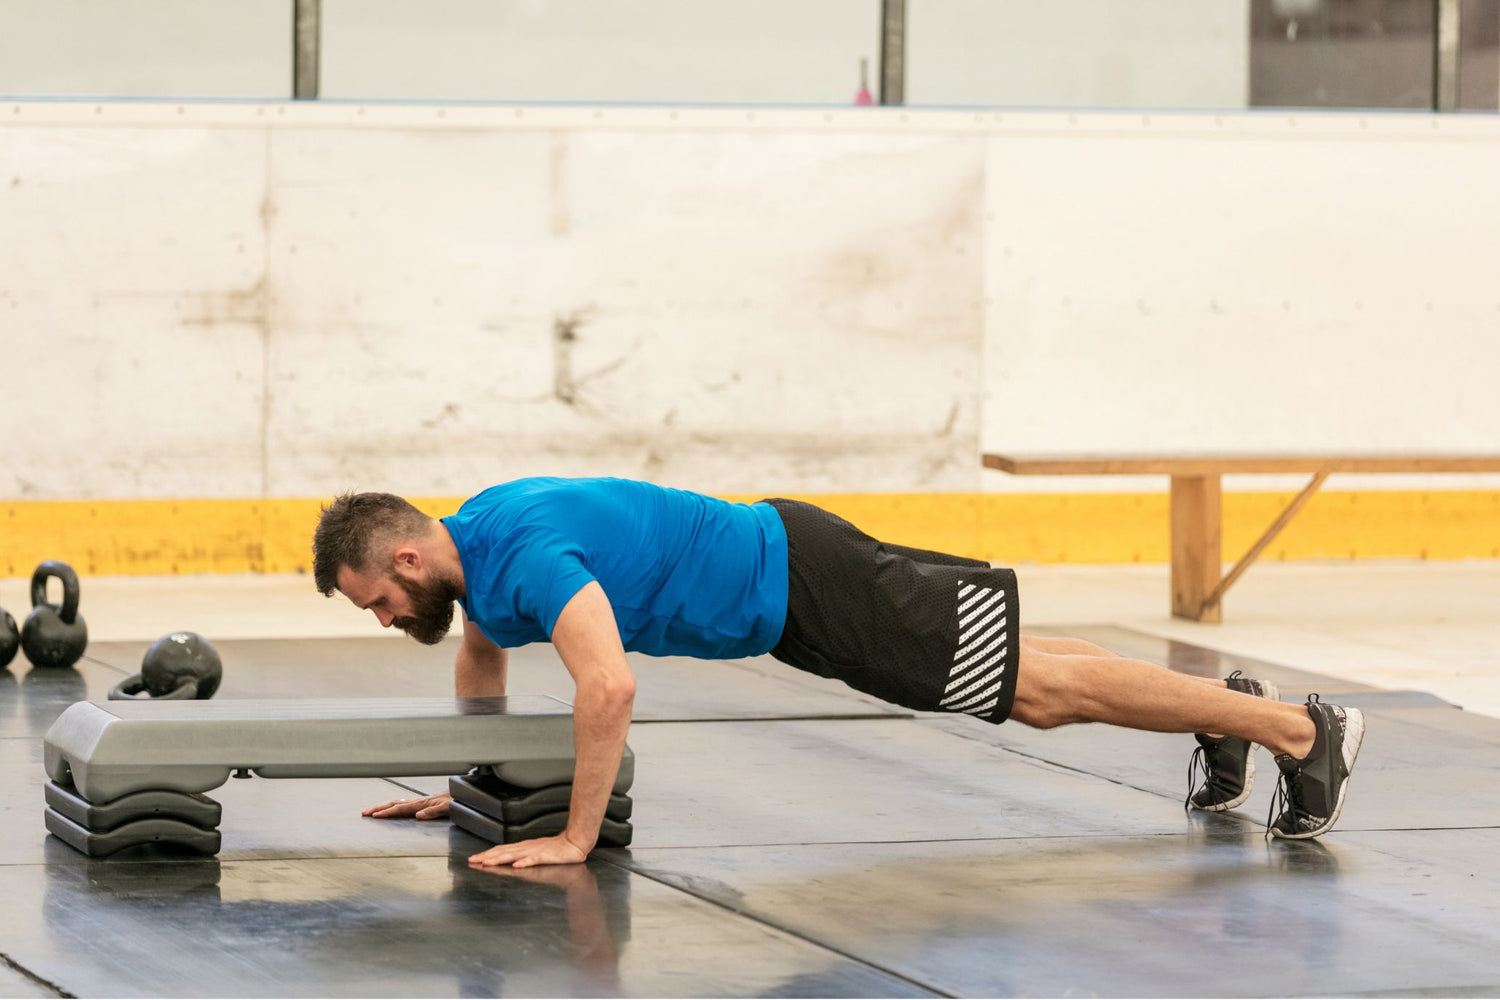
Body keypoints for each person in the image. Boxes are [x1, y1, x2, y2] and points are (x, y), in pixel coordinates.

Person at [312, 477, 1364, 869]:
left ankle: (1306, 735)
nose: (387, 616)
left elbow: (611, 686)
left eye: (379, 599)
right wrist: (465, 791)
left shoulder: (523, 554)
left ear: (405, 559)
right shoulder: (479, 557)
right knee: (1034, 672)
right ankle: (1235, 714)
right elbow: (483, 656)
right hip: (793, 584)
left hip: (807, 586)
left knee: (1038, 694)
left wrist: (576, 838)